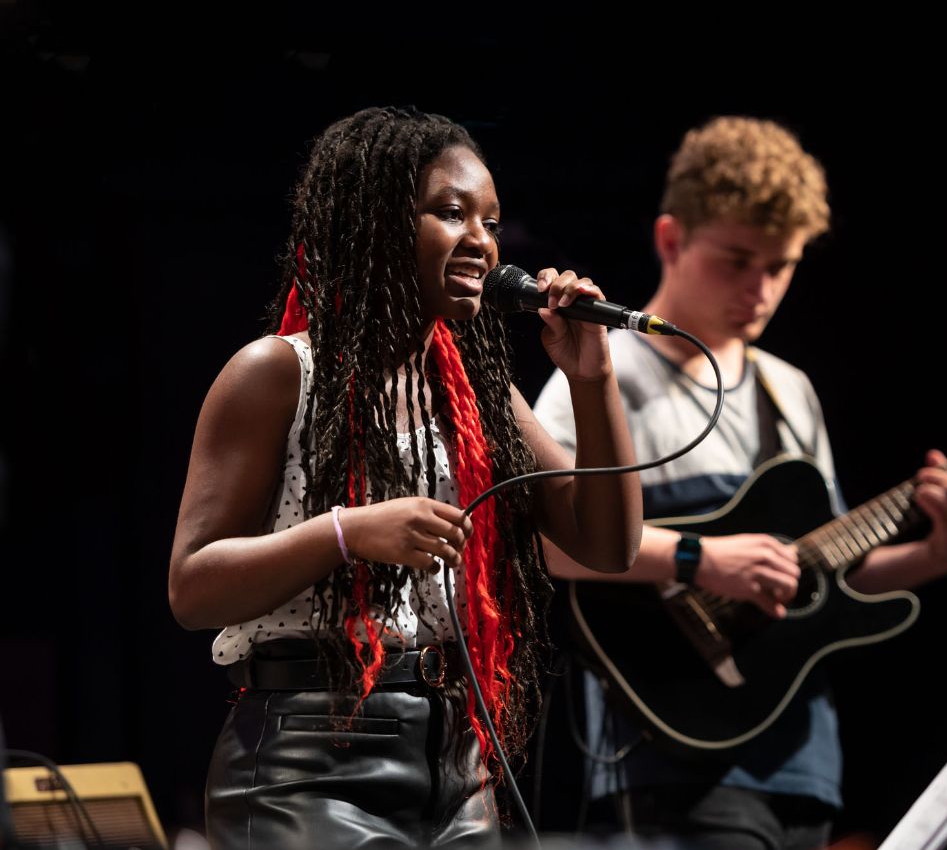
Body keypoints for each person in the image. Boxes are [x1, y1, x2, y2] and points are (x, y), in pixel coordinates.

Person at [168, 106, 641, 849]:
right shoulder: (278, 372)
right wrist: (347, 531)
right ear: (375, 223)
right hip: (311, 755)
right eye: (451, 214)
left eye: (490, 220)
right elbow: (192, 587)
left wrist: (593, 376)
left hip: (456, 757)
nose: (482, 241)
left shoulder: (480, 395)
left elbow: (608, 545)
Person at [533, 116, 947, 849]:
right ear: (672, 240)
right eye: (738, 260)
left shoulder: (789, 389)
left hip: (801, 760)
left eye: (781, 265)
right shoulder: (599, 371)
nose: (761, 288)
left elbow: (825, 577)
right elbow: (549, 539)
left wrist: (938, 555)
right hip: (667, 756)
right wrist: (701, 558)